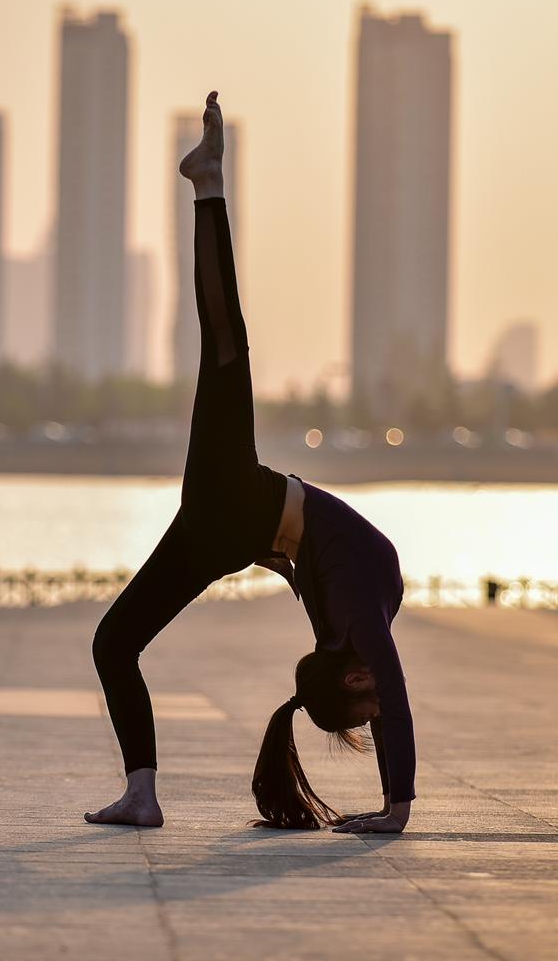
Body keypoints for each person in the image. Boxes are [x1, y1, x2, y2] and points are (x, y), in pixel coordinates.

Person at [85, 92, 415, 834]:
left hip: (239, 507)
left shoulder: (353, 623)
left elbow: (374, 673)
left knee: (224, 342)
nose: (375, 710)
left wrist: (395, 807)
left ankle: (209, 184)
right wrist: (398, 808)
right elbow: (389, 688)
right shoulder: (358, 622)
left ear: (346, 678)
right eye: (365, 714)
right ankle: (140, 794)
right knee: (113, 642)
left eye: (360, 713)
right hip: (232, 522)